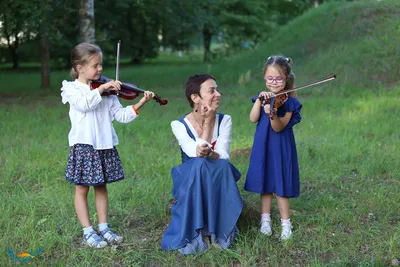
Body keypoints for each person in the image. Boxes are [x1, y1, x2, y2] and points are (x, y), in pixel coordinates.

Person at [61, 42, 155, 248]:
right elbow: (84, 105)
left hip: (104, 145)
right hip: (84, 146)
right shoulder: (72, 89)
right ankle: (88, 231)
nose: (100, 69)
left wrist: (140, 103)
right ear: (80, 68)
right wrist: (103, 87)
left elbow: (120, 116)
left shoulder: (108, 92)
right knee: (82, 188)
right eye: (95, 66)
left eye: (100, 65)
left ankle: (104, 228)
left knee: (101, 186)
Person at [161, 74, 243, 255]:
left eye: (217, 89)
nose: (218, 94)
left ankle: (219, 231)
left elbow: (223, 154)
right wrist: (207, 123)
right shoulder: (178, 124)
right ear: (195, 98)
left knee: (220, 166)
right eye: (212, 91)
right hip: (191, 177)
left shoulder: (225, 120)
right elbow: (194, 153)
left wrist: (209, 151)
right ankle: (199, 232)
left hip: (216, 172)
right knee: (199, 165)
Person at [244, 56, 302, 241]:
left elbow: (278, 127)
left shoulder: (289, 103)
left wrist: (272, 114)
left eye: (279, 79)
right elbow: (253, 118)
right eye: (270, 78)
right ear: (264, 78)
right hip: (263, 145)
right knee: (265, 182)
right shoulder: (262, 98)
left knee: (281, 183)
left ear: (286, 79)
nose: (274, 82)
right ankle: (265, 221)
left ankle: (286, 224)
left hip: (281, 147)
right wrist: (259, 102)